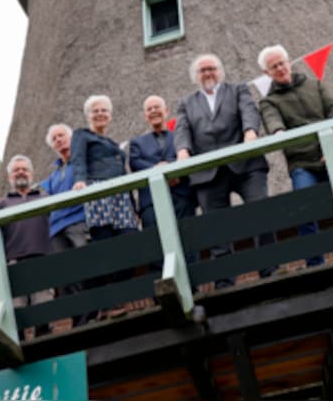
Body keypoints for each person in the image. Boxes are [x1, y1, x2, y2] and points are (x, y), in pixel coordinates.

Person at [174, 53, 274, 287]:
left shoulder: (237, 89)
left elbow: (249, 111)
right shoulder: (186, 103)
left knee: (261, 209)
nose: (208, 73)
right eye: (202, 70)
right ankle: (225, 280)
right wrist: (182, 151)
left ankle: (270, 267)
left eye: (211, 68)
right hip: (208, 171)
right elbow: (182, 129)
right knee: (216, 226)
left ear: (220, 71)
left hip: (245, 163)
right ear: (195, 76)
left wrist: (250, 131)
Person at [256, 44, 333, 267]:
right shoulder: (269, 101)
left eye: (282, 63)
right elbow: (272, 120)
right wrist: (278, 131)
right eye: (273, 67)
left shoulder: (314, 85)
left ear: (289, 62)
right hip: (301, 160)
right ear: (267, 73)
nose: (280, 68)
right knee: (305, 205)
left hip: (329, 152)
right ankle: (315, 261)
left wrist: (330, 147)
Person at [70, 95, 138, 318]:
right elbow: (77, 159)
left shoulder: (112, 143)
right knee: (105, 246)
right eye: (95, 111)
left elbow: (123, 172)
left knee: (129, 243)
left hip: (120, 194)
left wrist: (133, 203)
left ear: (110, 116)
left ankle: (117, 296)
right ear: (88, 115)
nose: (100, 114)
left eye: (104, 111)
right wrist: (80, 180)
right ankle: (109, 304)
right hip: (98, 190)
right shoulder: (82, 135)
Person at [0, 155, 54, 338]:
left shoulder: (44, 197)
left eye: (24, 169)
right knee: (17, 309)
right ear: (10, 176)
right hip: (14, 260)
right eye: (16, 170)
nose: (21, 172)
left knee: (43, 305)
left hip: (41, 256)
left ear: (31, 173)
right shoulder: (1, 204)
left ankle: (43, 342)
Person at [128, 95, 196, 233]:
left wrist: (170, 169)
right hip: (151, 202)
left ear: (166, 111)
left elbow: (188, 154)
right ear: (146, 116)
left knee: (189, 242)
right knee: (156, 247)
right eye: (149, 109)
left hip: (181, 197)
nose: (153, 111)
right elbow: (135, 163)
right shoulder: (137, 143)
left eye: (157, 107)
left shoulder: (180, 136)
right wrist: (157, 169)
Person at [40, 123, 90, 307]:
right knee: (65, 272)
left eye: (61, 136)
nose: (59, 140)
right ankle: (77, 311)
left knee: (84, 263)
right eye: (54, 139)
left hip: (78, 219)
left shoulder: (83, 162)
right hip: (56, 227)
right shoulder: (53, 176)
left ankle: (89, 308)